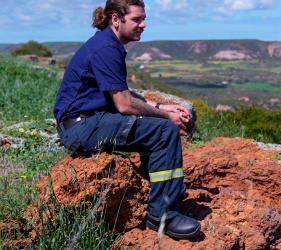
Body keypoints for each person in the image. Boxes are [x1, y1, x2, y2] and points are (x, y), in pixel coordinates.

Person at [53, 0, 201, 239]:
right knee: (164, 131)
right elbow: (124, 105)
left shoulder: (107, 43)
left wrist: (163, 106)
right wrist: (167, 116)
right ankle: (163, 215)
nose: (143, 25)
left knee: (154, 126)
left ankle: (161, 189)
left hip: (88, 121)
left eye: (144, 19)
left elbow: (122, 95)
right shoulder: (106, 49)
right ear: (115, 19)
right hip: (82, 127)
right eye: (136, 19)